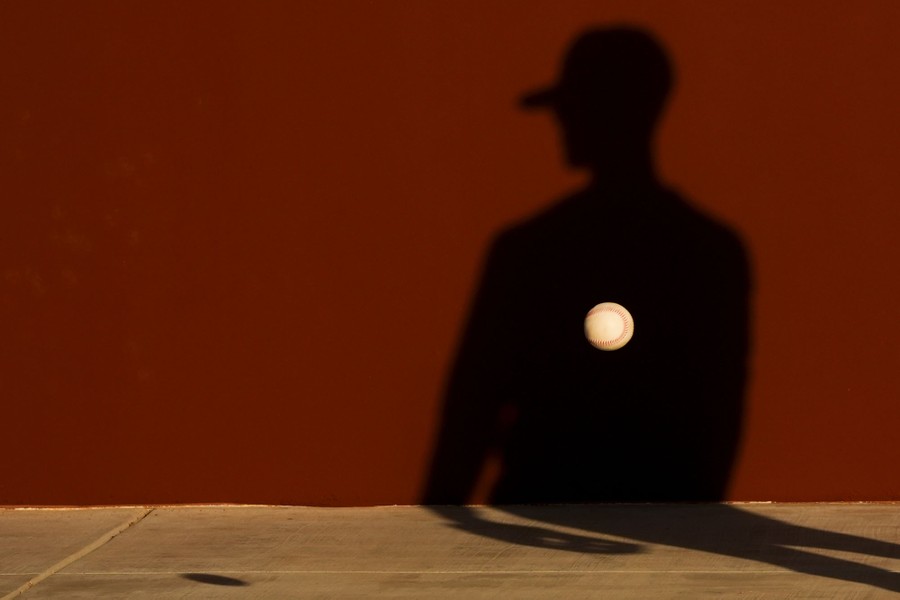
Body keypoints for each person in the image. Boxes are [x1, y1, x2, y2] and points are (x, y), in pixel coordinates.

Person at [423, 27, 752, 504]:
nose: (561, 121)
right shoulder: (712, 252)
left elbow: (470, 415)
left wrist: (435, 537)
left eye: (572, 105)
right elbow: (719, 423)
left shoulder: (529, 251)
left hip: (537, 517)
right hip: (662, 528)